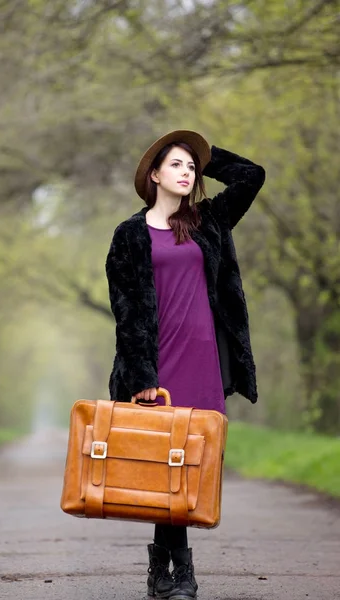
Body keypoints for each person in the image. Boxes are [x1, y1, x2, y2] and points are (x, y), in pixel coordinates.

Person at [105, 130, 265, 599]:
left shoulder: (208, 221)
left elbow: (251, 176)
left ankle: (162, 570)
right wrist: (141, 377)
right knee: (161, 468)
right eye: (176, 164)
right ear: (154, 175)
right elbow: (127, 311)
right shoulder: (129, 235)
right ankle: (182, 574)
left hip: (204, 361)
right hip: (158, 365)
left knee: (191, 465)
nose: (187, 172)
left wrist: (205, 155)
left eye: (191, 167)